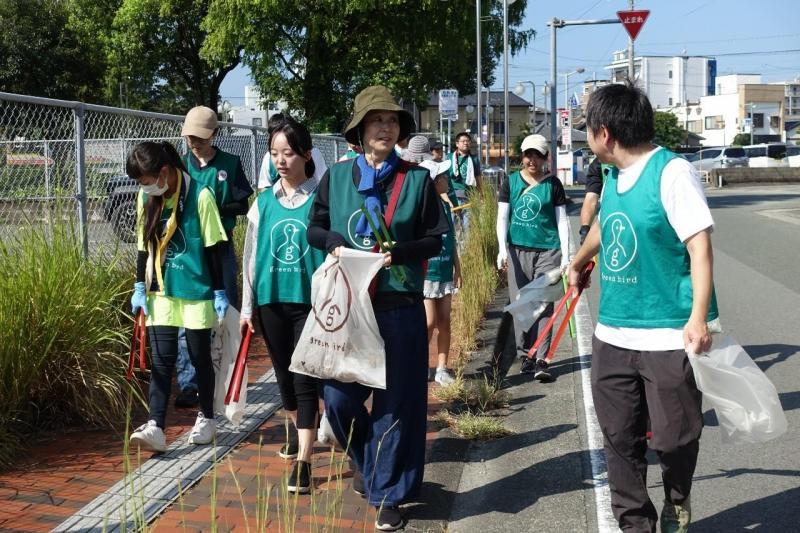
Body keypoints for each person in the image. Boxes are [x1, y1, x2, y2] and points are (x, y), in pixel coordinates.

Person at [568, 81, 718, 533]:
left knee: (675, 438)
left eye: (588, 131)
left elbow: (700, 247)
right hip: (613, 333)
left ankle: (678, 496)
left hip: (668, 333)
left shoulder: (671, 173)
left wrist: (698, 317)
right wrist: (578, 261)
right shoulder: (612, 177)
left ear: (606, 133)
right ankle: (635, 524)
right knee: (619, 440)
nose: (587, 140)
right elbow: (604, 227)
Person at [307, 85, 448, 531]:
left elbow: (434, 239)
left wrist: (398, 254)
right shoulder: (337, 177)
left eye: (391, 121)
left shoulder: (418, 179)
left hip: (400, 305)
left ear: (399, 129)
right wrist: (332, 244)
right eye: (376, 121)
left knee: (395, 406)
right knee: (338, 400)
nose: (384, 127)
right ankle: (373, 467)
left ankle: (388, 493)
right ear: (361, 130)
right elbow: (315, 228)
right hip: (350, 309)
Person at [240, 117, 326, 494]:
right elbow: (250, 257)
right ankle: (296, 430)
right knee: (285, 380)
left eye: (288, 152)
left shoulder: (321, 200)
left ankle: (305, 462)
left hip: (309, 304)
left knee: (306, 381)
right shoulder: (262, 203)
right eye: (274, 153)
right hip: (271, 301)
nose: (280, 160)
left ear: (307, 155)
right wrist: (247, 308)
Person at [127, 141, 229, 453]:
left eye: (146, 181)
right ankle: (156, 425)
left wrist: (220, 290)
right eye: (140, 184)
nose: (144, 187)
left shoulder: (200, 194)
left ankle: (208, 417)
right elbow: (144, 246)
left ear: (164, 172)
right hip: (162, 290)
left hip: (196, 290)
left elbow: (215, 248)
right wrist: (139, 286)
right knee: (162, 359)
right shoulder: (146, 197)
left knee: (200, 357)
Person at [173, 106, 253, 409]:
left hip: (220, 245)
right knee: (187, 318)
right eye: (191, 137)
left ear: (215, 134)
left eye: (201, 138)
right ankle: (189, 383)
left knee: (225, 314)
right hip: (188, 250)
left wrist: (210, 210)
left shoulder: (230, 164)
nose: (195, 143)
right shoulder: (181, 166)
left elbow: (241, 204)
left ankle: (228, 377)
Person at [496, 134, 569, 381]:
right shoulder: (511, 182)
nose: (532, 160)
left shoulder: (553, 184)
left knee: (544, 301)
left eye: (538, 155)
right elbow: (502, 217)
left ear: (546, 158)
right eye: (528, 154)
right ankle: (525, 353)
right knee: (522, 304)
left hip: (549, 250)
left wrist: (567, 255)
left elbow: (562, 221)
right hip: (517, 250)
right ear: (522, 156)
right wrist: (501, 248)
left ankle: (541, 359)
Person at [419, 158, 460, 386]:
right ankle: (422, 364)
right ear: (433, 183)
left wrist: (458, 268)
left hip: (445, 271)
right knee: (429, 321)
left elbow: (452, 240)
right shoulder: (420, 209)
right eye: (442, 177)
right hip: (427, 274)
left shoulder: (445, 206)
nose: (446, 180)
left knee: (444, 321)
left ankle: (442, 368)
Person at [258, 113, 328, 190]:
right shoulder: (268, 157)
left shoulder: (313, 152)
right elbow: (264, 186)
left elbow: (323, 182)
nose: (280, 161)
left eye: (288, 154)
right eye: (274, 154)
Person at [447, 131, 482, 235]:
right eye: (463, 141)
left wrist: (481, 194)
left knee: (468, 228)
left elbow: (478, 178)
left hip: (469, 197)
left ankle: (467, 250)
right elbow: (444, 177)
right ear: (457, 144)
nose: (466, 143)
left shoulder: (474, 159)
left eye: (468, 141)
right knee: (452, 228)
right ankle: (454, 250)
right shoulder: (449, 157)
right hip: (453, 197)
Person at [578, 158, 613, 245]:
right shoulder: (599, 164)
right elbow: (591, 199)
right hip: (610, 226)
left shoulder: (647, 158)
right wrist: (585, 230)